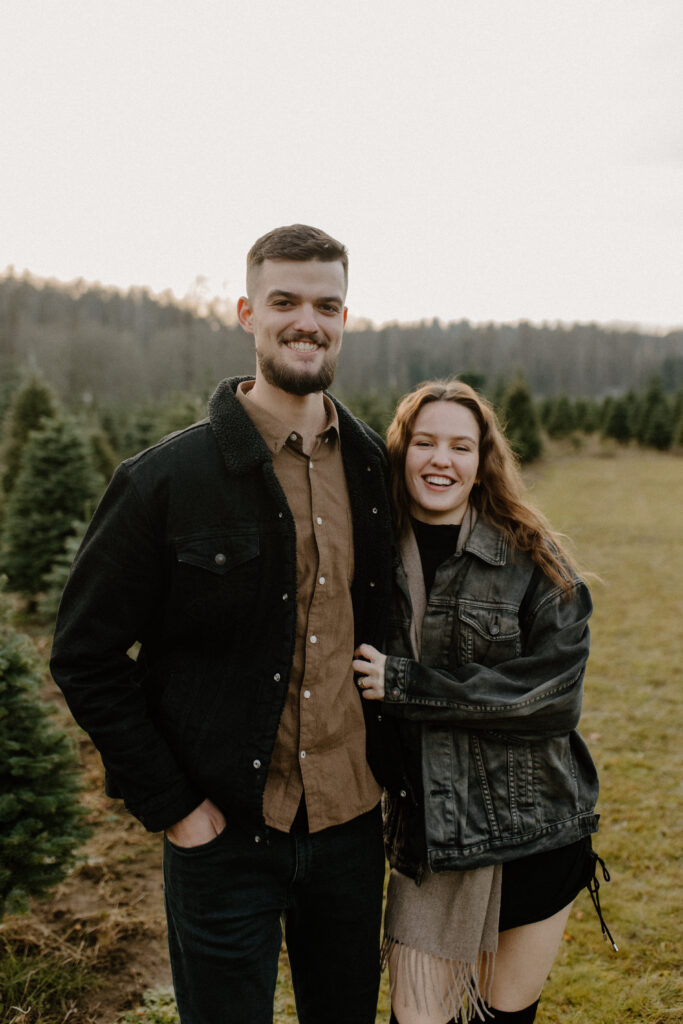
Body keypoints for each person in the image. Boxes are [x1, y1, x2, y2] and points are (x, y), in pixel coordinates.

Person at [50, 224, 395, 1024]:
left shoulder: (375, 468)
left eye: (327, 305)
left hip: (350, 828)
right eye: (285, 301)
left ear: (345, 319)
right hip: (222, 834)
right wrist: (175, 806)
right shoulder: (166, 479)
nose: (307, 321)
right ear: (246, 312)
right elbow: (85, 653)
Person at [353, 380, 614, 1024]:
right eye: (426, 442)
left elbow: (551, 698)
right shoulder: (366, 557)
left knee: (501, 1019)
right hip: (431, 843)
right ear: (402, 451)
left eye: (461, 446)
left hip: (534, 831)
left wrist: (409, 685)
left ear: (481, 463)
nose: (442, 459)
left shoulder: (530, 556)